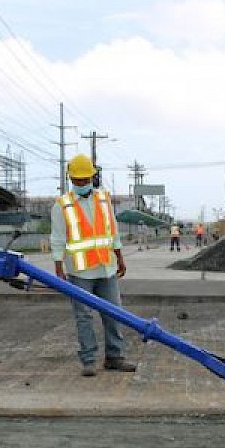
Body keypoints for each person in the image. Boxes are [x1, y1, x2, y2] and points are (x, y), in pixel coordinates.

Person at [50, 154, 136, 377]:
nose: (81, 183)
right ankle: (89, 359)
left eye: (85, 179)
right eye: (77, 180)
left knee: (114, 313)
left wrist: (120, 256)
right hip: (80, 272)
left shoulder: (104, 199)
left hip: (106, 267)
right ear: (70, 178)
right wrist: (58, 267)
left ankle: (115, 357)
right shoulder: (62, 205)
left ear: (92, 177)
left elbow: (113, 230)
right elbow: (58, 238)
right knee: (84, 316)